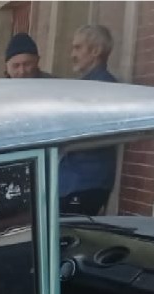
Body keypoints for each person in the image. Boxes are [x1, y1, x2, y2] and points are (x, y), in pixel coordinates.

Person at [59, 24, 120, 215]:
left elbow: (88, 133)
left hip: (85, 182)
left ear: (96, 51)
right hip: (76, 181)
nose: (72, 54)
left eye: (78, 48)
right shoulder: (87, 86)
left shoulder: (101, 88)